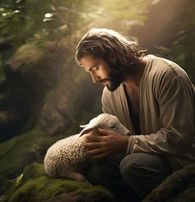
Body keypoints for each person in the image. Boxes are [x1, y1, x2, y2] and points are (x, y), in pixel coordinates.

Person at [75, 28, 195, 200]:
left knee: (133, 166)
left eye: (96, 68)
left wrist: (127, 143)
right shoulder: (109, 94)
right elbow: (115, 140)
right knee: (98, 171)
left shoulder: (167, 75)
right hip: (141, 158)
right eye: (90, 71)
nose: (94, 79)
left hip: (181, 158)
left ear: (113, 56)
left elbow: (180, 139)